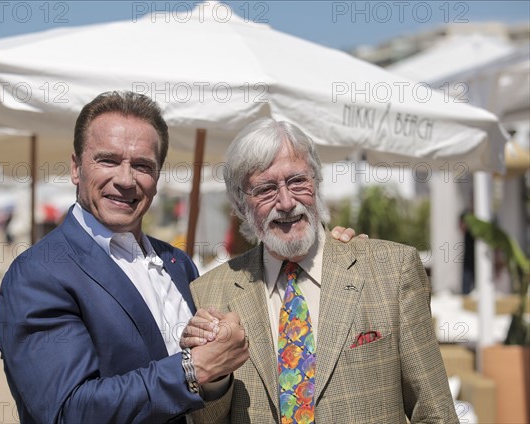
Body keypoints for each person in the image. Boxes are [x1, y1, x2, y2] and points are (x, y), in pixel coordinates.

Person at [0, 91, 358, 424]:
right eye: (107, 160)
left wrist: (322, 251)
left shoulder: (177, 262)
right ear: (76, 167)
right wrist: (191, 370)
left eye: (142, 165)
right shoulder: (39, 274)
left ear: (157, 175)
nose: (125, 179)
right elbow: (67, 411)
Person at [184, 117, 459, 423]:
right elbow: (206, 421)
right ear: (239, 204)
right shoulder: (209, 292)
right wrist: (214, 377)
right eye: (265, 189)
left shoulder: (391, 271)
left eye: (297, 181)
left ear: (316, 181)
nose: (287, 202)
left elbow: (435, 412)